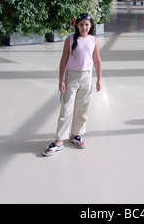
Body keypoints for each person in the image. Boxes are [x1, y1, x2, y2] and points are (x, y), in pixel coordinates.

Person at [42, 13, 102, 156]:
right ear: (76, 25)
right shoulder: (70, 40)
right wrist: (61, 80)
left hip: (87, 76)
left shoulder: (94, 40)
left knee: (82, 107)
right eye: (81, 24)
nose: (84, 27)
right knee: (66, 108)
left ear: (91, 26)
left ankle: (75, 134)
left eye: (87, 24)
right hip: (72, 77)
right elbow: (63, 60)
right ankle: (59, 140)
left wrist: (99, 79)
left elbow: (97, 60)